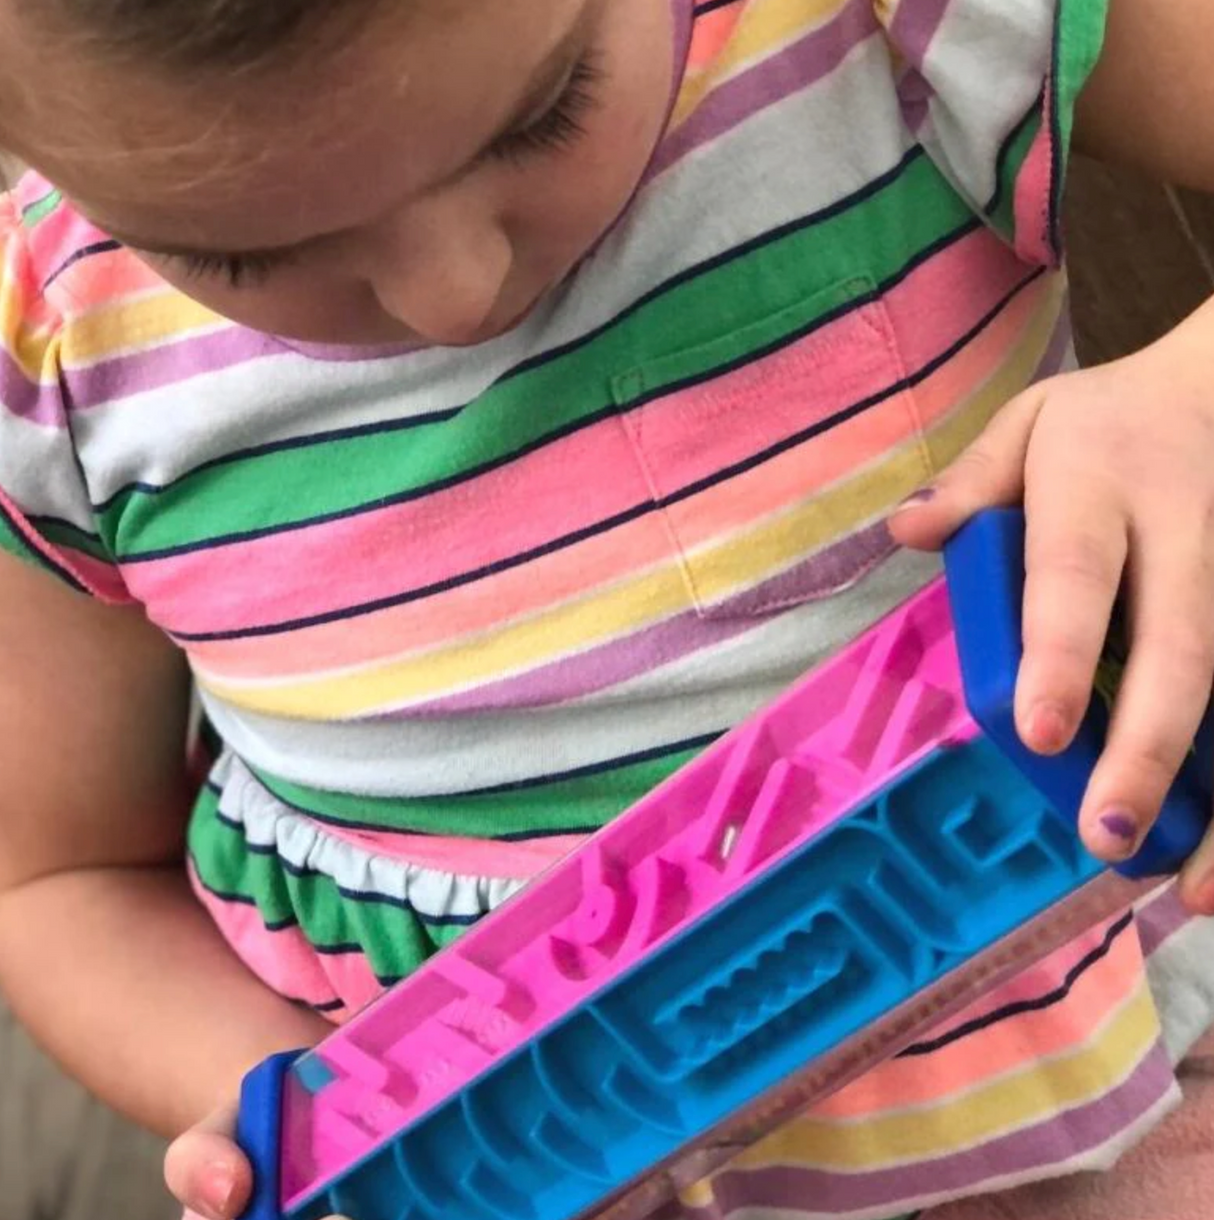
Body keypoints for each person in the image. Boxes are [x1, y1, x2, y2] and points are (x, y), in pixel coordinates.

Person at [0, 1, 1212, 1218]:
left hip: (1103, 1069)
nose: (455, 293)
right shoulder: (49, 365)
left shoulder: (887, 29)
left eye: (546, 109)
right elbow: (59, 877)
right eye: (240, 250)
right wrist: (320, 1132)